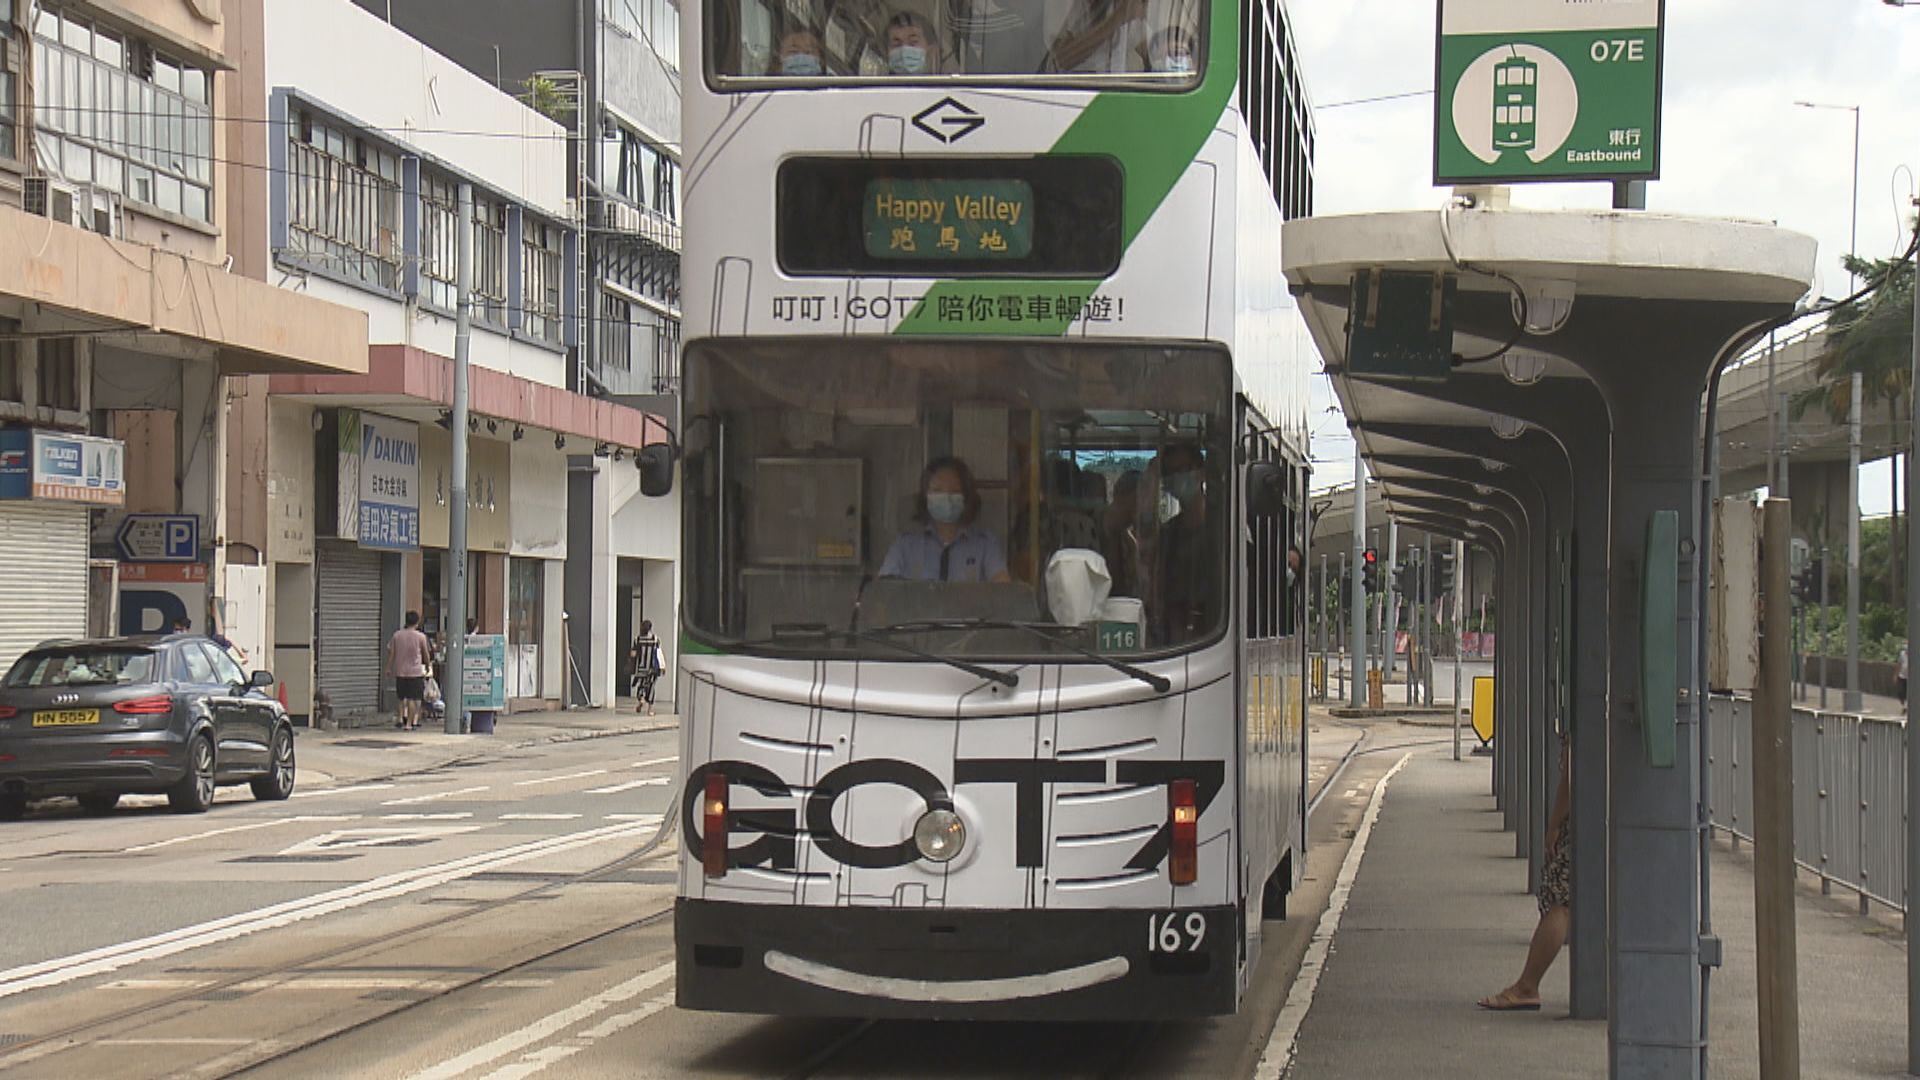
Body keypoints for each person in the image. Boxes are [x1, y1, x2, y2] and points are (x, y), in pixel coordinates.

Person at [1479, 743, 1573, 1011]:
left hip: (1583, 821)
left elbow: (1571, 773)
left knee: (1560, 901)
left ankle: (1527, 986)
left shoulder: (1587, 711)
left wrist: (1555, 824)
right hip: (1610, 818)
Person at [879, 457, 1011, 583]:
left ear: (966, 497)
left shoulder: (985, 544)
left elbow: (1002, 591)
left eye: (954, 491)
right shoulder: (904, 545)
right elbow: (884, 594)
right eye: (937, 490)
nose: (946, 497)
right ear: (926, 496)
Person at [1151, 443, 1216, 641]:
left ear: (1201, 473)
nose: (1179, 478)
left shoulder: (1223, 528)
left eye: (1185, 470)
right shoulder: (1168, 533)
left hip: (1211, 635)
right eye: (1172, 473)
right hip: (1175, 638)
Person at [384, 611, 433, 732]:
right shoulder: (421, 637)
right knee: (412, 698)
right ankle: (409, 724)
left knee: (401, 697)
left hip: (400, 671)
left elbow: (391, 653)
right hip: (415, 672)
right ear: (417, 622)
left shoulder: (397, 635)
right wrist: (427, 666)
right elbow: (425, 654)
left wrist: (388, 667)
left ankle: (400, 718)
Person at [629, 620, 663, 716]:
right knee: (651, 687)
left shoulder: (637, 639)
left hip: (640, 668)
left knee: (642, 685)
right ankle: (650, 710)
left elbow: (633, 653)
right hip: (652, 668)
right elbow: (658, 653)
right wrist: (661, 666)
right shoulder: (656, 639)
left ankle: (641, 698)